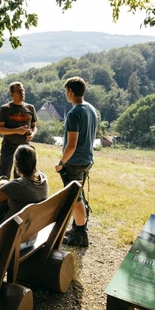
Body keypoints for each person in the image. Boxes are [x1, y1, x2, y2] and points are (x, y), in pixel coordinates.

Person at [55, 76, 98, 247]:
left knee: (75, 198)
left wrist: (61, 163)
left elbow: (71, 144)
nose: (66, 94)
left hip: (74, 162)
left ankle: (80, 236)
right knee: (79, 195)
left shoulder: (74, 114)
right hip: (87, 159)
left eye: (66, 91)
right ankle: (78, 228)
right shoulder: (91, 109)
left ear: (70, 92)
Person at [0, 81, 37, 179]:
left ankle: (17, 194)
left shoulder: (30, 108)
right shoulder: (5, 109)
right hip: (9, 147)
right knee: (3, 175)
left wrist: (32, 134)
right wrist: (16, 130)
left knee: (21, 177)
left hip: (25, 148)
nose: (22, 93)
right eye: (18, 91)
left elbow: (34, 126)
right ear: (12, 94)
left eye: (23, 90)